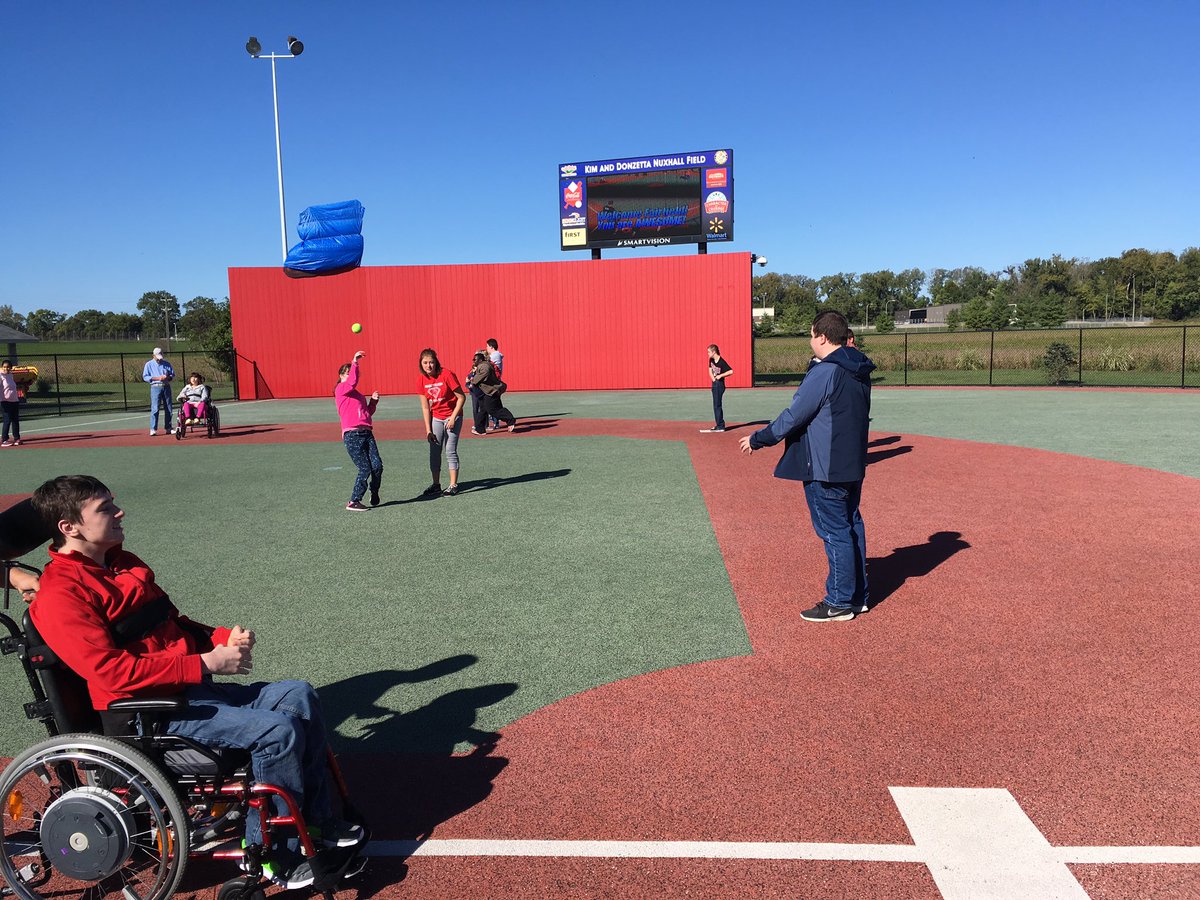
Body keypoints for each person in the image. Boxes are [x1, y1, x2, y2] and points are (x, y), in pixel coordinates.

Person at [27, 475, 365, 889]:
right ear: (70, 527)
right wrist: (204, 664)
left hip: (188, 692)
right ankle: (275, 855)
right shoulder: (61, 595)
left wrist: (220, 638)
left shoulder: (121, 562)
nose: (119, 512)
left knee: (298, 694)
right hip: (147, 717)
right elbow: (110, 672)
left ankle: (313, 823)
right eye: (105, 508)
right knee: (277, 732)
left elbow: (172, 624)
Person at [738, 310, 875, 622]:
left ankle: (839, 601)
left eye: (812, 335)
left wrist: (759, 439)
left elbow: (794, 415)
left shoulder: (826, 372)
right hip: (851, 462)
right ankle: (857, 596)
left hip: (825, 466)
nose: (811, 340)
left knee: (834, 531)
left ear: (822, 337)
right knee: (851, 526)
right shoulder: (859, 369)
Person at [335, 351, 383, 511]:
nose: (350, 376)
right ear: (341, 375)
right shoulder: (341, 389)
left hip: (366, 433)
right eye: (346, 373)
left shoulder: (357, 395)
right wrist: (354, 361)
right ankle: (354, 500)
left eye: (351, 372)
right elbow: (352, 382)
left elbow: (366, 413)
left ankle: (374, 490)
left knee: (377, 466)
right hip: (352, 434)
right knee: (365, 468)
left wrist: (373, 402)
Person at [416, 349, 466, 496]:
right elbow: (425, 407)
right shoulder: (421, 380)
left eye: (431, 362)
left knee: (450, 450)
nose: (428, 365)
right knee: (434, 451)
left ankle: (453, 485)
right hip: (436, 418)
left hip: (453, 416)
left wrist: (452, 417)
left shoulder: (446, 374)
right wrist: (428, 430)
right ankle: (436, 484)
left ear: (436, 362)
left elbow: (462, 398)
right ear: (421, 364)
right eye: (425, 363)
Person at [468, 351, 517, 435]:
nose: (473, 361)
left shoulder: (484, 366)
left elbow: (480, 377)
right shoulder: (482, 365)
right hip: (487, 392)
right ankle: (480, 429)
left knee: (492, 410)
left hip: (491, 392)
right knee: (483, 410)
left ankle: (510, 420)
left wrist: (472, 380)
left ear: (480, 360)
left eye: (475, 359)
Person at [142, 347, 175, 436]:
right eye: (157, 357)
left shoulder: (167, 364)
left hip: (166, 386)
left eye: (160, 357)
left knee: (168, 408)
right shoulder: (148, 364)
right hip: (155, 387)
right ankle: (153, 429)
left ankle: (168, 427)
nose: (159, 360)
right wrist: (157, 378)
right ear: (153, 356)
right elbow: (145, 377)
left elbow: (172, 375)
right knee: (155, 408)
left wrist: (167, 377)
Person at [700, 344, 733, 433]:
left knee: (717, 405)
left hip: (720, 385)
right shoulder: (711, 360)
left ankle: (721, 426)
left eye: (709, 352)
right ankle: (719, 424)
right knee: (715, 405)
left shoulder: (721, 361)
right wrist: (714, 379)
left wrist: (720, 376)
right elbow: (710, 370)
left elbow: (731, 371)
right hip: (715, 383)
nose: (708, 354)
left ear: (714, 352)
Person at [1, 359, 22, 447]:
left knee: (15, 420)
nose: (6, 369)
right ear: (2, 367)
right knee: (7, 420)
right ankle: (4, 440)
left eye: (8, 367)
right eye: (4, 367)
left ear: (11, 368)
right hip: (5, 402)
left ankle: (17, 438)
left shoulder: (11, 375)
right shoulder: (1, 376)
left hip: (14, 401)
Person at [486, 338, 505, 431]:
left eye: (487, 346)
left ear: (491, 346)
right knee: (496, 403)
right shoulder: (496, 355)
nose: (486, 348)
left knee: (492, 404)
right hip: (495, 383)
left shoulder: (495, 355)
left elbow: (486, 364)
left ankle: (497, 421)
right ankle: (496, 421)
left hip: (493, 384)